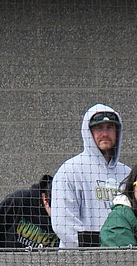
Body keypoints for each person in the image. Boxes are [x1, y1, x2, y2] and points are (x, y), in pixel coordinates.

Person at [50, 105, 131, 248]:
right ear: (88, 132)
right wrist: (99, 248)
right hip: (79, 262)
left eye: (110, 127)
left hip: (121, 262)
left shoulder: (128, 174)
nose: (105, 133)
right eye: (98, 128)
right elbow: (63, 224)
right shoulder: (70, 171)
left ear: (117, 132)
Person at [0, 174, 59, 250]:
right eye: (56, 211)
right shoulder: (18, 201)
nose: (59, 215)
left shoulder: (68, 217)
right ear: (45, 199)